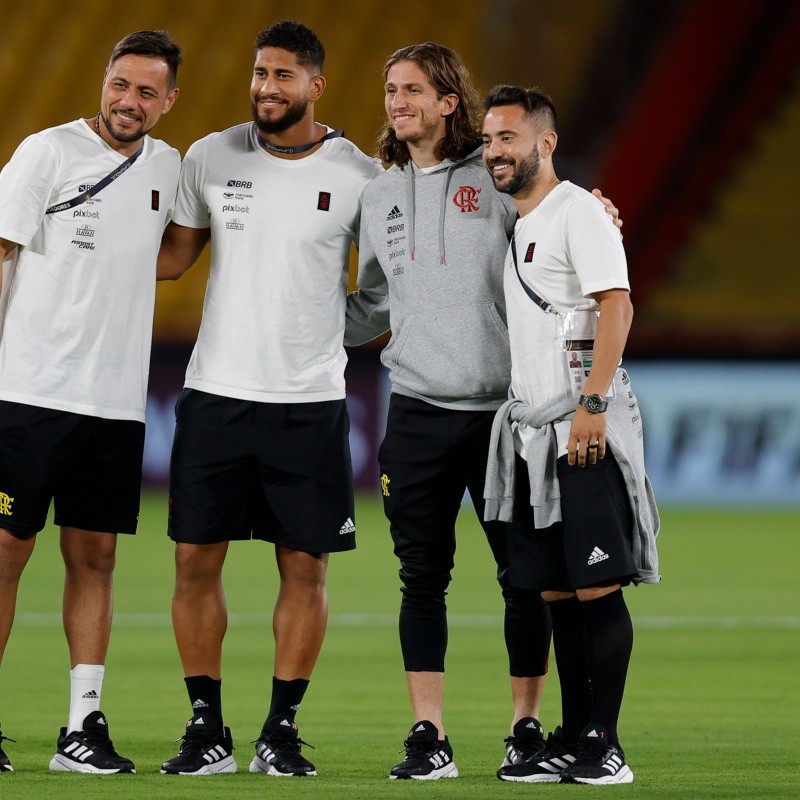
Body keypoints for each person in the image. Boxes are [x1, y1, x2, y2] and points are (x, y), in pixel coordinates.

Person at [344, 43, 622, 780]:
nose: (396, 101)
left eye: (411, 90)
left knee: (524, 576)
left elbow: (551, 207)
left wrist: (593, 207)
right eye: (389, 89)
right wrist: (301, 327)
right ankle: (428, 735)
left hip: (504, 415)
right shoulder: (379, 194)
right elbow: (373, 300)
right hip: (414, 412)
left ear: (447, 101)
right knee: (419, 577)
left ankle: (526, 727)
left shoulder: (495, 177)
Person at [156, 20, 382, 777]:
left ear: (316, 86)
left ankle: (279, 732)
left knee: (306, 572)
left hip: (310, 401)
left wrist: (328, 328)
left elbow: (382, 290)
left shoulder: (359, 173)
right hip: (214, 392)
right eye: (260, 74)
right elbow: (173, 258)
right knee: (194, 563)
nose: (266, 88)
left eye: (283, 76)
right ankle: (206, 729)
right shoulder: (209, 155)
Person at [0, 31, 182, 774]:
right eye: (119, 84)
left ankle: (82, 728)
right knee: (6, 553)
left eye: (146, 92)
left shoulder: (167, 168)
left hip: (114, 402)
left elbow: (168, 255)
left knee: (96, 557)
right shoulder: (46, 153)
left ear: (168, 102)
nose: (127, 101)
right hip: (29, 390)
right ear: (103, 82)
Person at [481, 84, 660, 785]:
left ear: (544, 143)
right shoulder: (521, 222)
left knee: (596, 588)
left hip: (580, 428)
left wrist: (593, 403)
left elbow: (616, 306)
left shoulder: (578, 211)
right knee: (556, 591)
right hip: (531, 439)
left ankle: (605, 742)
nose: (496, 151)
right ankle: (574, 732)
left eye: (509, 138)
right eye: (490, 140)